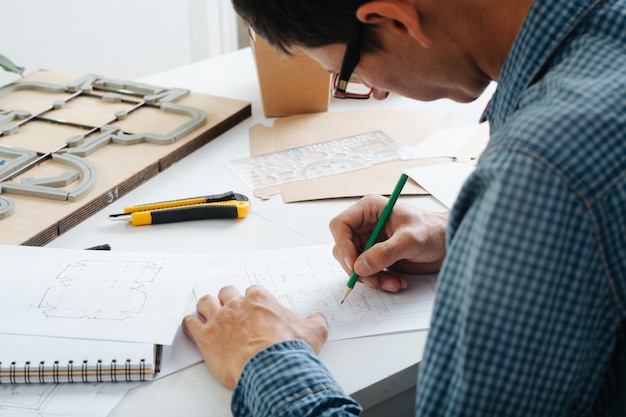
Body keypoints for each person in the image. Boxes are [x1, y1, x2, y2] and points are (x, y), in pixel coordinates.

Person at [182, 0, 626, 415]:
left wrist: (267, 363)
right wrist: (474, 235)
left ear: (394, 20)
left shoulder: (542, 170)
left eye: (349, 74)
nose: (374, 93)